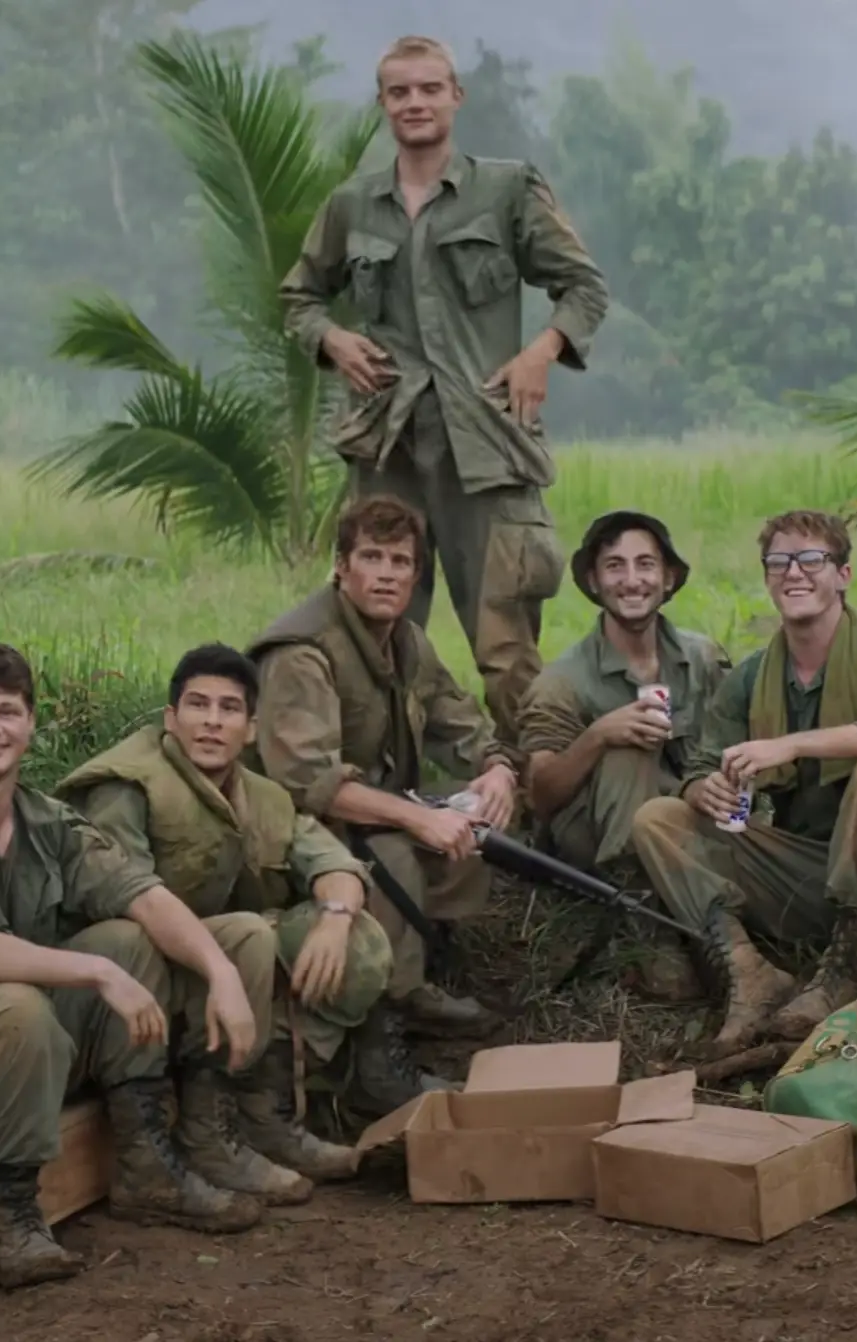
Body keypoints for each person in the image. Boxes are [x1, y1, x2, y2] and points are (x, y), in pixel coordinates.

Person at [0, 644, 269, 1293]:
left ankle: (145, 1168)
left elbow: (140, 892)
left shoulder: (43, 821)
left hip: (3, 1048)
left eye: (7, 712)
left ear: (30, 723)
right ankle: (19, 1226)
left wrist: (221, 972)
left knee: (129, 941)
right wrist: (96, 974)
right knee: (21, 1001)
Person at [279, 33, 610, 743]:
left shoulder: (506, 190)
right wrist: (332, 339)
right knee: (377, 628)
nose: (416, 102)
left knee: (505, 644)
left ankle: (537, 785)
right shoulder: (351, 205)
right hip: (388, 448)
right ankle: (382, 780)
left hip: (487, 445)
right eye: (400, 92)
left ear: (455, 96)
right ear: (382, 103)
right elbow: (299, 298)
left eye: (430, 88)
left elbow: (583, 286)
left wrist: (541, 352)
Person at [56, 643, 394, 1186]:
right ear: (172, 718)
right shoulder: (127, 785)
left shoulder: (261, 796)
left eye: (229, 708)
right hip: (118, 983)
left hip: (203, 972)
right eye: (198, 705)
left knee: (352, 938)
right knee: (247, 935)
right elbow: (133, 899)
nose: (212, 722)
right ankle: (199, 1137)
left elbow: (333, 862)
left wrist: (334, 917)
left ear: (251, 729)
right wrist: (220, 971)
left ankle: (261, 1114)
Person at [631, 510, 857, 1052]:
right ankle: (747, 972)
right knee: (657, 818)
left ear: (843, 575)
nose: (793, 572)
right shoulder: (754, 676)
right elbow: (702, 764)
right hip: (798, 871)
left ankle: (846, 969)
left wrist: (795, 743)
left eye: (811, 559)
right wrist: (703, 790)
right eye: (778, 561)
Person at [247, 494, 522, 1110]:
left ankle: (415, 978)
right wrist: (419, 818)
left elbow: (462, 723)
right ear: (341, 566)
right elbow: (305, 783)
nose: (387, 574)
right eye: (371, 557)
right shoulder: (302, 650)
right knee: (396, 855)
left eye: (401, 562)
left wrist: (498, 771)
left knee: (477, 825)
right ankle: (379, 1055)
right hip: (285, 827)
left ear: (416, 575)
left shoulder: (407, 643)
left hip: (366, 811)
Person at [518, 511, 730, 878]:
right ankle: (635, 891)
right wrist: (598, 736)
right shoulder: (560, 682)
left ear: (668, 578)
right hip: (595, 841)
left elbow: (733, 742)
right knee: (629, 746)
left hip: (683, 815)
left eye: (645, 564)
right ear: (594, 581)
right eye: (615, 566)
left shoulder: (704, 658)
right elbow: (540, 798)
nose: (632, 581)